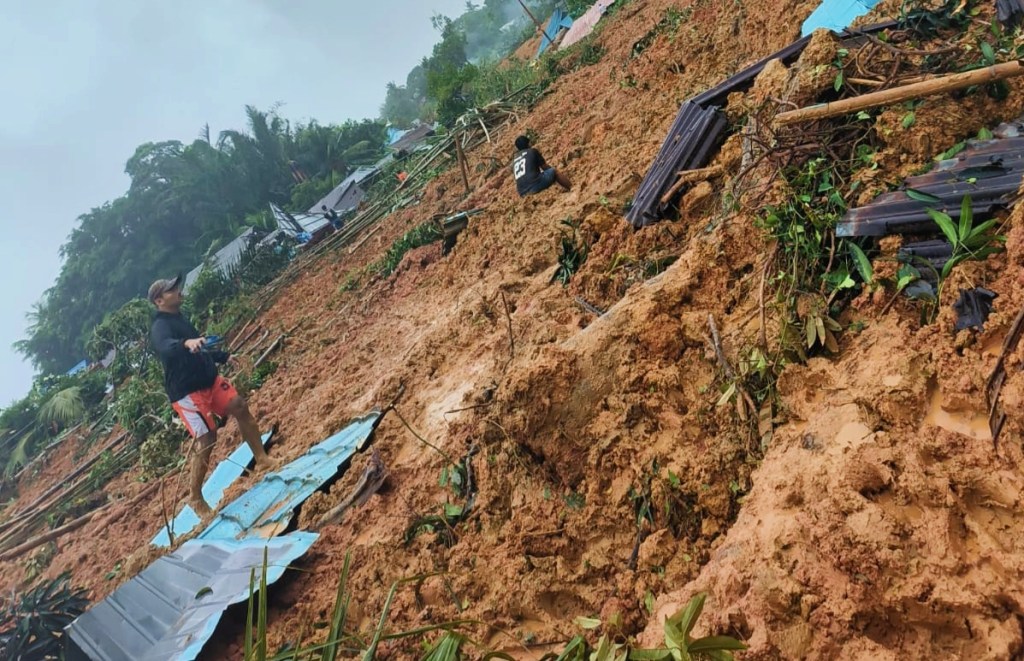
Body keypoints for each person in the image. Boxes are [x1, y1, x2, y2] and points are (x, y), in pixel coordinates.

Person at [148, 274, 277, 516]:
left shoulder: (181, 319)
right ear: (159, 300)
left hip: (209, 380)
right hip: (187, 392)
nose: (178, 291)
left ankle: (261, 458)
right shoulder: (160, 327)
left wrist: (223, 356)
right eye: (171, 290)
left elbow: (199, 348)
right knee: (207, 438)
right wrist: (185, 343)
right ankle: (195, 498)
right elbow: (166, 347)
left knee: (239, 405)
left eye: (176, 287)